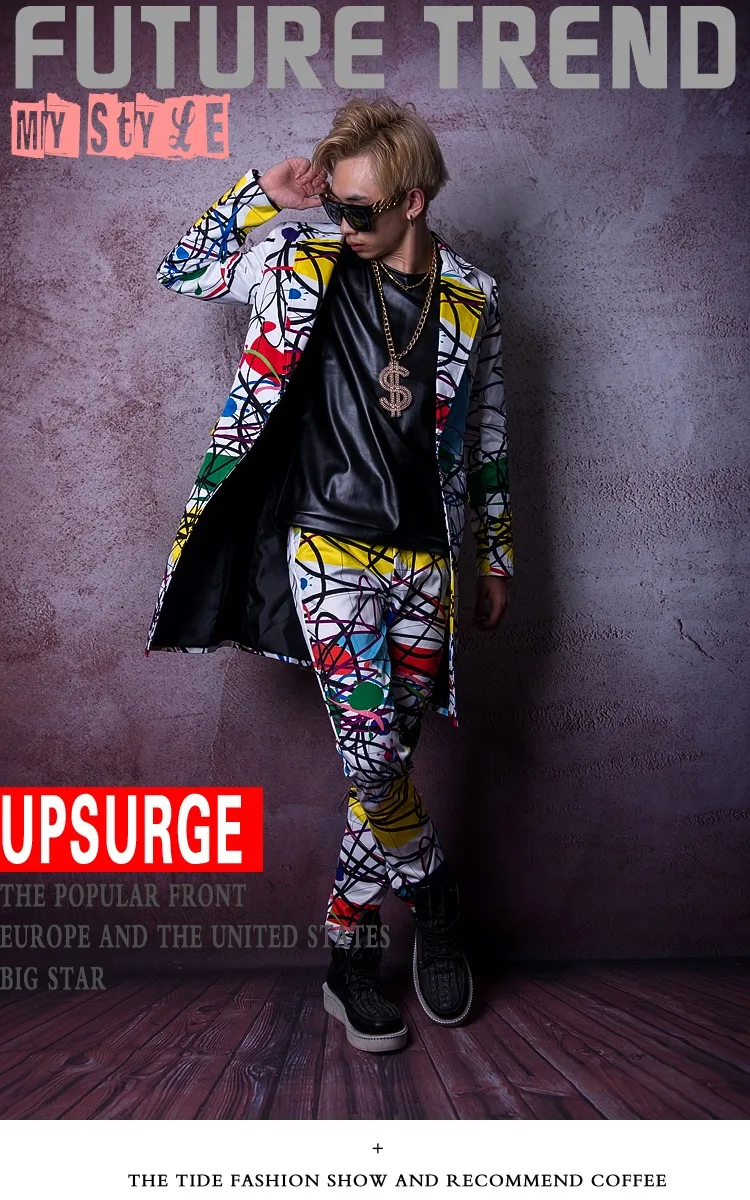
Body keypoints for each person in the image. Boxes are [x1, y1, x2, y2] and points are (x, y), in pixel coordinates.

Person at [146, 96, 513, 1054]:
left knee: (383, 764)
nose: (342, 221)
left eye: (360, 209)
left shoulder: (473, 297)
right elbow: (180, 269)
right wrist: (258, 197)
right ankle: (434, 893)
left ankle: (348, 954)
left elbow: (487, 432)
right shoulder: (297, 259)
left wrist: (496, 554)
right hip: (326, 549)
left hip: (427, 559)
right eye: (336, 204)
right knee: (370, 755)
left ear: (414, 201)